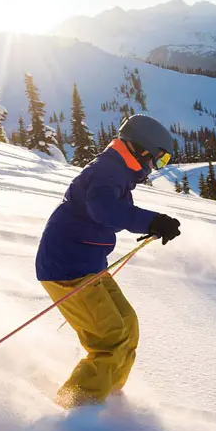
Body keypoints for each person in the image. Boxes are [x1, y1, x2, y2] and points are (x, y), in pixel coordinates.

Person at [35, 114, 181, 409]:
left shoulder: (117, 172)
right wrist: (153, 220)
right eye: (159, 160)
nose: (156, 168)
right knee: (109, 339)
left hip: (85, 265)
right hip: (66, 268)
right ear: (141, 150)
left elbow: (107, 212)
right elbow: (105, 211)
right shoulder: (108, 173)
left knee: (127, 324)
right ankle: (78, 407)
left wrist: (152, 223)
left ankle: (109, 392)